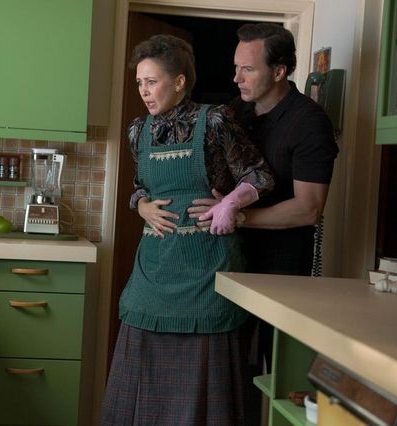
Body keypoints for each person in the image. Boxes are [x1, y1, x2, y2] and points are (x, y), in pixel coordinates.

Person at [100, 34, 274, 425]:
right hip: (153, 269)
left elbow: (260, 176)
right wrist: (141, 205)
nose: (144, 91)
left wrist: (231, 203)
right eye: (140, 82)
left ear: (179, 81)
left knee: (203, 378)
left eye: (152, 81)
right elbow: (140, 187)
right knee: (140, 371)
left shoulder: (215, 121)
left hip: (206, 268)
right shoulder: (138, 131)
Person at [190, 22, 339, 425]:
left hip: (282, 270)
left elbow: (309, 208)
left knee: (281, 374)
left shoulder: (309, 122)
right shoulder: (236, 112)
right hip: (230, 259)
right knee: (228, 365)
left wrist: (239, 216)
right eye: (236, 67)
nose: (236, 78)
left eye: (248, 69)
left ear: (279, 71)